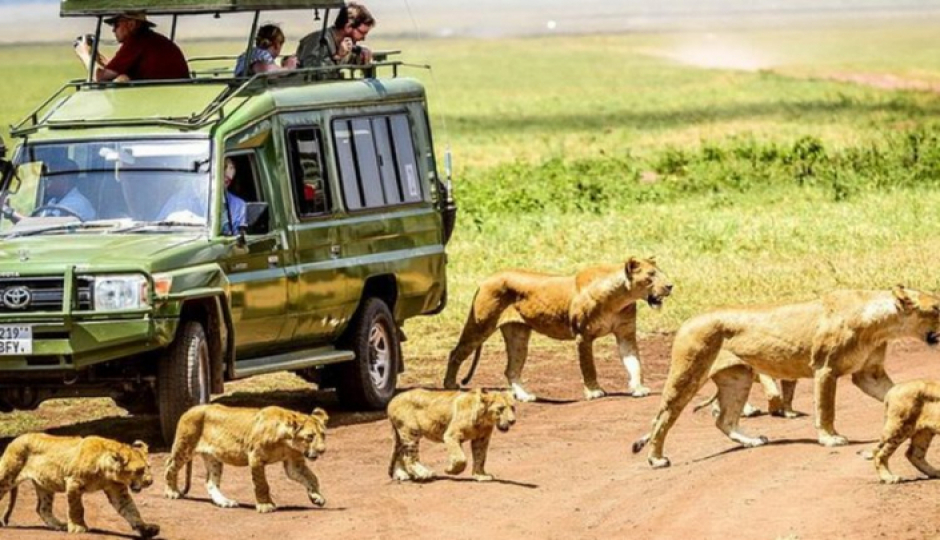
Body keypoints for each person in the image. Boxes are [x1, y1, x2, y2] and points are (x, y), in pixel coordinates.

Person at [73, 11, 189, 82]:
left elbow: (100, 77)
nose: (113, 30)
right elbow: (115, 69)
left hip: (161, 96)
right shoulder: (149, 39)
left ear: (131, 24)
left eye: (116, 24)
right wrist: (95, 55)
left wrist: (84, 54)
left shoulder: (137, 41)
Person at [2, 161, 95, 223]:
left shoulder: (77, 204)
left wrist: (9, 211)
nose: (47, 183)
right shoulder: (54, 201)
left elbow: (39, 229)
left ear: (64, 179)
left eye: (51, 179)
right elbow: (29, 229)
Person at [295, 2, 375, 71]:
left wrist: (361, 53)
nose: (363, 38)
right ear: (348, 27)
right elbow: (315, 74)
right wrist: (339, 57)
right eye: (361, 33)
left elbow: (351, 58)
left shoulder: (342, 43)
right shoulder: (319, 41)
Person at [220, 157, 247, 234]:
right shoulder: (191, 201)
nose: (231, 177)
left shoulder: (240, 206)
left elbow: (240, 241)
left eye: (229, 181)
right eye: (225, 178)